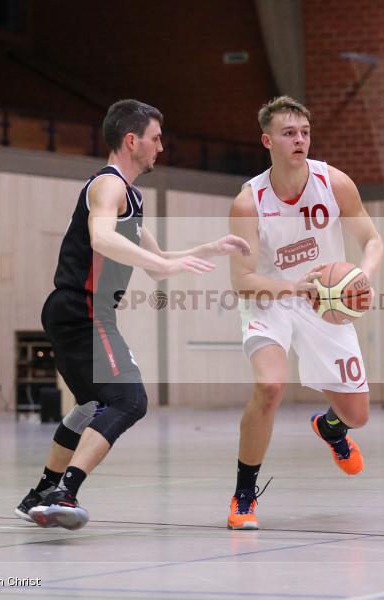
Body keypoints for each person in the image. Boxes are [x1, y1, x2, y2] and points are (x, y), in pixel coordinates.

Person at [15, 99, 250, 530]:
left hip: (77, 311)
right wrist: (160, 266)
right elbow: (102, 238)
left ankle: (41, 491)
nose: (161, 147)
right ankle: (65, 493)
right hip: (82, 310)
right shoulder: (108, 187)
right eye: (156, 138)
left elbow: (155, 257)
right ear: (131, 140)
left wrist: (210, 249)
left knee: (92, 404)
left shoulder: (133, 195)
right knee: (129, 399)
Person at [227, 96, 384, 529]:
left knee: (358, 416)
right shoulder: (248, 202)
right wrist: (291, 287)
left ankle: (331, 428)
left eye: (304, 133)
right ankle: (244, 495)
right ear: (268, 141)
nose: (299, 140)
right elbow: (241, 279)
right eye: (288, 133)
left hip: (325, 304)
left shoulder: (335, 184)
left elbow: (372, 241)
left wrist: (362, 276)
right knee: (270, 386)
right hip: (269, 300)